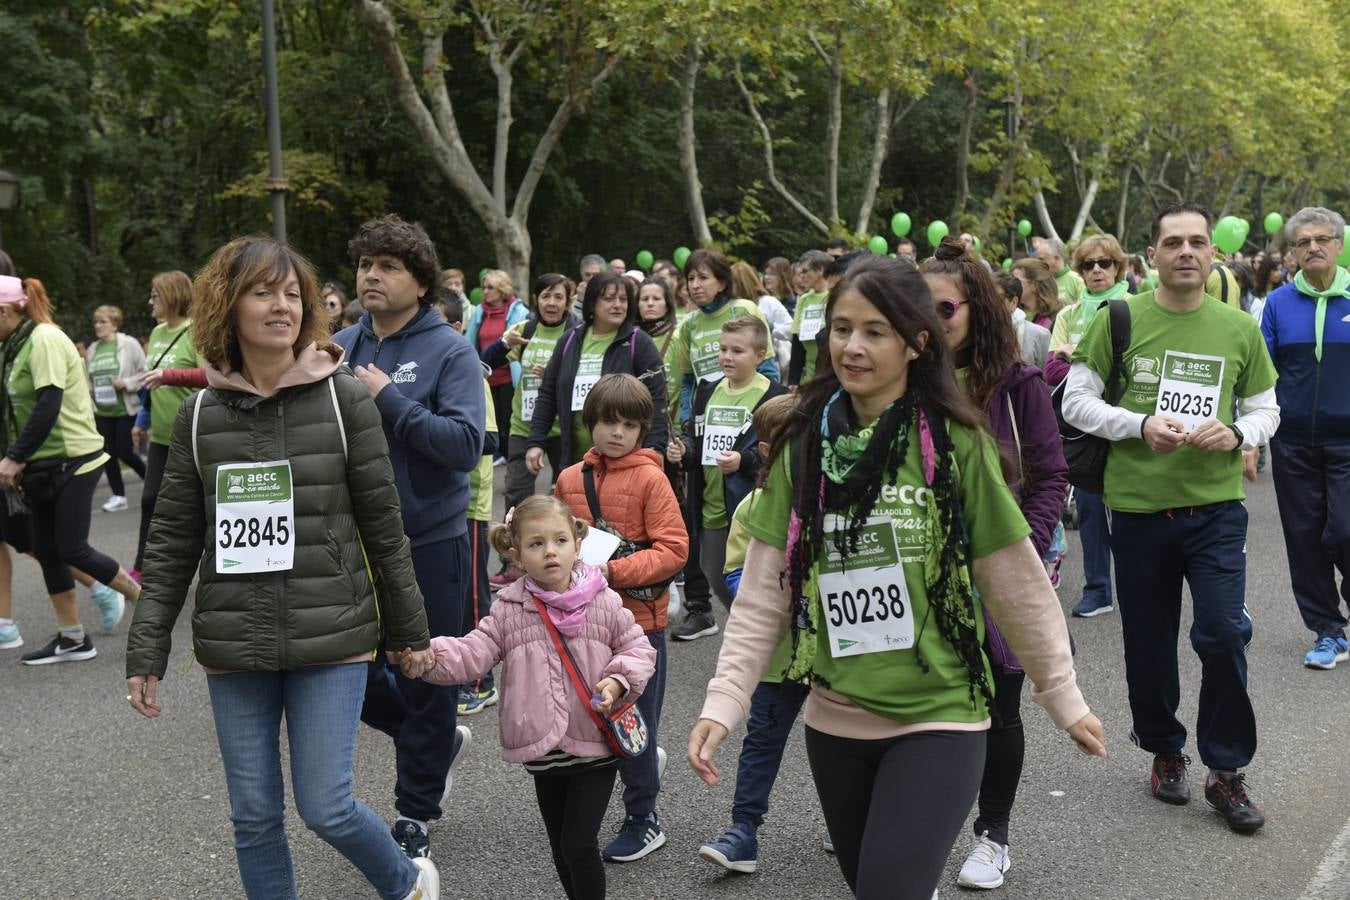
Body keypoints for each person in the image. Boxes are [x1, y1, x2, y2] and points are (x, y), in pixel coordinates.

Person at [688, 255, 1104, 900]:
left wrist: (1060, 691)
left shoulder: (957, 442)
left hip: (941, 715)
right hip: (835, 719)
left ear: (916, 344)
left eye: (875, 331)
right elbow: (766, 589)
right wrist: (726, 697)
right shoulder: (804, 445)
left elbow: (1014, 580)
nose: (853, 346)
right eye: (842, 328)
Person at [124, 236, 439, 900]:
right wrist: (146, 645)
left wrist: (410, 633)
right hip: (234, 641)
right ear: (227, 307)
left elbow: (384, 526)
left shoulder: (343, 399)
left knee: (325, 805)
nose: (282, 306)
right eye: (263, 292)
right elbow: (173, 539)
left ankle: (406, 883)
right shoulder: (201, 414)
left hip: (334, 635)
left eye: (292, 294)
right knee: (254, 817)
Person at [1063, 201, 1279, 834]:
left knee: (1222, 632)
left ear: (1213, 253)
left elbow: (1268, 408)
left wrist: (1239, 431)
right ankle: (1164, 750)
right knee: (1149, 640)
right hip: (1137, 510)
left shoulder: (1238, 327)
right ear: (1150, 254)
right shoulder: (1118, 318)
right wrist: (1138, 425)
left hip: (1216, 512)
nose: (1187, 252)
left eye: (1198, 243)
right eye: (1174, 243)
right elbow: (1075, 400)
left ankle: (1226, 769)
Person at [404, 495, 656, 900]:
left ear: (577, 544)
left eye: (559, 540)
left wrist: (617, 681)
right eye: (536, 544)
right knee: (560, 847)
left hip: (595, 742)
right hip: (543, 750)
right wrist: (428, 657)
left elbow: (638, 649)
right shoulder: (509, 609)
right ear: (516, 554)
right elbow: (474, 652)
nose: (550, 551)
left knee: (578, 843)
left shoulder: (603, 600)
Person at [333, 214, 486, 859]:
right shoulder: (340, 344)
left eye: (388, 265)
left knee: (425, 678)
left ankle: (415, 812)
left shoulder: (450, 349)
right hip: (351, 542)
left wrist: (387, 401)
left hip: (429, 538)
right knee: (348, 674)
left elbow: (464, 446)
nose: (371, 274)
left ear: (421, 282)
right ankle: (437, 739)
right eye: (365, 263)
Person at [922, 239, 1069, 890]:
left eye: (942, 308)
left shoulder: (1018, 384)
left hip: (999, 578)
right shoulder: (895, 382)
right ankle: (906, 822)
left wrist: (1019, 556)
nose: (926, 322)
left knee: (998, 705)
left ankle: (992, 834)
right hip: (915, 578)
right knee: (917, 704)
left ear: (976, 311)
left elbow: (1049, 478)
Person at [553, 374, 688, 864]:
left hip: (639, 623)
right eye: (608, 422)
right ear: (591, 422)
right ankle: (635, 777)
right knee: (594, 717)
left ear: (642, 429)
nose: (617, 433)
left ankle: (643, 817)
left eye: (629, 425)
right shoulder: (569, 479)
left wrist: (607, 573)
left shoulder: (652, 478)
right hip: (584, 623)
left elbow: (675, 549)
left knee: (634, 720)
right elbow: (554, 537)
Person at [699, 393, 829, 874]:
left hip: (839, 657)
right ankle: (743, 831)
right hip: (777, 655)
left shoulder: (839, 503)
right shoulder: (753, 507)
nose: (778, 454)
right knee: (761, 743)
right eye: (770, 445)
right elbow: (735, 576)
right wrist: (783, 587)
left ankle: (848, 823)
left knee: (841, 746)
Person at [0, 275, 143, 662]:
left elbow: (48, 403)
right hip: (44, 463)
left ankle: (148, 604)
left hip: (75, 458)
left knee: (71, 547)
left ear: (6, 309)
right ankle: (73, 638)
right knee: (47, 550)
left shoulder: (42, 339)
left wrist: (14, 456)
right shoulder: (10, 346)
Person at [1260, 207, 1350, 669]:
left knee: (1344, 528)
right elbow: (1261, 374)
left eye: (1322, 239)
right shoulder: (1277, 304)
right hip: (1292, 440)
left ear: (1338, 244)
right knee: (1304, 537)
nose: (1313, 247)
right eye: (1303, 242)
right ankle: (1328, 631)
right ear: (1292, 252)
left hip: (1348, 442)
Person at [669, 315, 787, 617]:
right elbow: (697, 441)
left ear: (759, 356)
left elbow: (783, 453)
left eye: (737, 351)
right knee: (714, 573)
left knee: (752, 577)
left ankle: (757, 631)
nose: (726, 357)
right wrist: (683, 450)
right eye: (723, 350)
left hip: (750, 506)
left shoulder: (776, 396)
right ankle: (753, 625)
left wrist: (744, 460)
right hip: (710, 504)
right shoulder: (708, 390)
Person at [1043, 235, 1131, 618]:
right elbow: (1050, 369)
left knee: (1132, 512)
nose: (1097, 270)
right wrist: (1091, 364)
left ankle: (1137, 586)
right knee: (1091, 510)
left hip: (1129, 423)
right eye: (1088, 264)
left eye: (1105, 263)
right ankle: (1098, 589)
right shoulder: (1068, 315)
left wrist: (1075, 357)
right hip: (1083, 428)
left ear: (1118, 267)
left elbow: (1133, 370)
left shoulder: (1134, 308)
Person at [481, 274, 579, 586]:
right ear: (535, 299)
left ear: (568, 301)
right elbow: (483, 365)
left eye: (558, 297)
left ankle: (569, 560)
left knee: (567, 495)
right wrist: (502, 344)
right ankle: (513, 564)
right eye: (546, 296)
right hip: (525, 424)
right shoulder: (527, 330)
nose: (552, 303)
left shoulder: (575, 332)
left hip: (562, 426)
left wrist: (556, 372)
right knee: (516, 496)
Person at [525, 271, 668, 475]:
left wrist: (655, 447)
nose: (617, 305)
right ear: (592, 303)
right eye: (609, 298)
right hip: (576, 462)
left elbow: (657, 399)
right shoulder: (568, 341)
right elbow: (548, 394)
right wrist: (536, 441)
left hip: (626, 463)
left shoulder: (640, 342)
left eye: (623, 299)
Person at [131, 270, 205, 584]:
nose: (150, 301)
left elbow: (209, 376)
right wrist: (141, 420)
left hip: (192, 434)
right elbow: (151, 383)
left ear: (172, 297)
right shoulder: (157, 333)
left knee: (198, 506)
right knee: (150, 500)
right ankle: (142, 567)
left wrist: (170, 375)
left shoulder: (196, 332)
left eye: (155, 295)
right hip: (160, 436)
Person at [86, 304, 147, 512]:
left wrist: (126, 383)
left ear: (114, 324)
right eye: (95, 322)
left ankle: (152, 483)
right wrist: (91, 390)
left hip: (125, 409)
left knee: (124, 451)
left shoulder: (128, 344)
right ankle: (118, 496)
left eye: (102, 322)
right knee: (107, 454)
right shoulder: (93, 349)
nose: (97, 326)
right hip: (102, 411)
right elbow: (89, 378)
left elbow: (145, 373)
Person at [465, 269, 528, 465]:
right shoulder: (479, 312)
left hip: (510, 377)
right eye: (484, 287)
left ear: (502, 290)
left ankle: (513, 462)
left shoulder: (519, 312)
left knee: (507, 423)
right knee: (490, 423)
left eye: (490, 287)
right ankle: (504, 458)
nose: (484, 291)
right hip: (484, 376)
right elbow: (470, 343)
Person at [730, 261, 792, 374]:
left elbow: (790, 328)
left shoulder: (767, 302)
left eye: (733, 283)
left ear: (743, 283)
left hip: (765, 363)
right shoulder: (729, 306)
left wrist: (769, 329)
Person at [636, 276, 681, 431]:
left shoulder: (679, 336)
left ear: (667, 305)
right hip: (634, 427)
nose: (650, 303)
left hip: (672, 429)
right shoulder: (629, 338)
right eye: (644, 298)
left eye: (656, 298)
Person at [788, 250, 832, 386]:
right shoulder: (804, 299)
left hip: (829, 375)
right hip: (808, 378)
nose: (801, 277)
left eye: (805, 272)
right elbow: (797, 341)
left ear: (820, 270)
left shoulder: (834, 296)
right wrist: (793, 381)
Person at [993, 270, 1050, 368]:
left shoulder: (1038, 334)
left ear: (1014, 302)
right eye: (986, 297)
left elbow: (1047, 378)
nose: (990, 303)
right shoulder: (976, 331)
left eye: (997, 298)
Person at [1010, 258, 1062, 331]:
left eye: (1016, 281)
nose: (1011, 285)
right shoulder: (1015, 313)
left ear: (1034, 285)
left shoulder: (1059, 316)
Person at [1034, 237, 1084, 304]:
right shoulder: (1040, 282)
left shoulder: (1077, 281)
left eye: (1041, 259)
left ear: (1056, 257)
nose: (1038, 263)